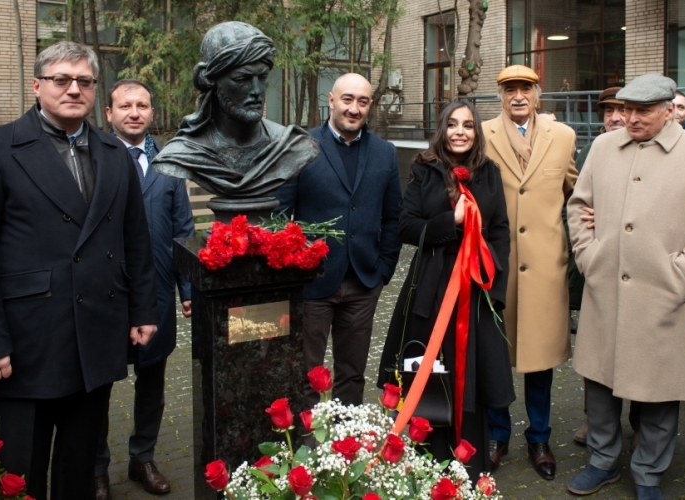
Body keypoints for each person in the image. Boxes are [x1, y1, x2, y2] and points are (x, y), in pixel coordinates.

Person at [0, 41, 159, 499]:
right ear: (37, 85)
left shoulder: (113, 153)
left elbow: (135, 240)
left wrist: (143, 309)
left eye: (84, 81)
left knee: (78, 468)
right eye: (61, 80)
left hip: (96, 335)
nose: (73, 89)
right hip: (29, 341)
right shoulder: (2, 148)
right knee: (21, 473)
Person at [567, 74, 685, 499]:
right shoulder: (604, 147)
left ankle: (648, 472)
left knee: (659, 390)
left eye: (643, 111)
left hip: (662, 294)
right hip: (604, 288)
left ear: (668, 109)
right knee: (599, 385)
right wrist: (589, 256)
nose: (631, 119)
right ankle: (602, 461)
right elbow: (579, 205)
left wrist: (682, 274)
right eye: (627, 110)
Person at [377, 100, 514, 480]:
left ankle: (470, 465)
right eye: (452, 124)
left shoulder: (489, 173)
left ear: (476, 132)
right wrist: (448, 221)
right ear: (442, 128)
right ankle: (428, 462)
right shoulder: (424, 169)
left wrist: (495, 287)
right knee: (432, 372)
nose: (460, 132)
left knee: (475, 373)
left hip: (477, 290)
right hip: (433, 287)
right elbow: (406, 226)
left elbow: (500, 230)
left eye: (468, 126)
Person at [93, 80, 195, 499]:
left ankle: (143, 457)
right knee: (97, 387)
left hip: (157, 296)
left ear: (152, 113)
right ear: (109, 113)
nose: (134, 113)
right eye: (125, 106)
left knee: (152, 384)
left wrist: (188, 288)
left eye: (142, 106)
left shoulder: (169, 165)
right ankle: (95, 466)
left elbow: (183, 230)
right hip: (104, 298)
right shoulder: (92, 158)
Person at [276, 73, 401, 407]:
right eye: (347, 99)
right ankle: (308, 449)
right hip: (313, 283)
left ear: (370, 105)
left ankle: (345, 450)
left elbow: (392, 217)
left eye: (362, 101)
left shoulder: (385, 153)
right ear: (331, 100)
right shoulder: (302, 147)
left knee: (352, 374)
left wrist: (384, 268)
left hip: (363, 282)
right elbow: (279, 215)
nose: (354, 108)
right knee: (307, 375)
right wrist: (292, 268)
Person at [482, 65, 577, 479]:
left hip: (545, 268)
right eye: (509, 90)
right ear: (501, 96)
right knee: (496, 354)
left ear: (538, 92)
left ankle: (539, 437)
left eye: (525, 88)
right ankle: (497, 434)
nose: (517, 96)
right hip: (497, 267)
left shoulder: (565, 137)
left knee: (540, 359)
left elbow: (577, 194)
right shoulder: (482, 135)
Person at [153, 21, 319, 199]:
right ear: (210, 80)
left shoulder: (292, 145)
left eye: (262, 77)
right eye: (242, 79)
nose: (256, 90)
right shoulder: (183, 153)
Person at [569, 87, 640, 449]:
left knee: (640, 346)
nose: (614, 117)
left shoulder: (646, 148)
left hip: (640, 270)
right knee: (596, 348)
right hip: (599, 266)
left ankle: (640, 418)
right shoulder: (590, 152)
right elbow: (577, 203)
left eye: (621, 110)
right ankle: (594, 420)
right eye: (608, 111)